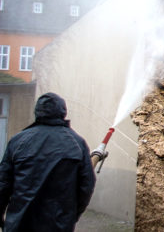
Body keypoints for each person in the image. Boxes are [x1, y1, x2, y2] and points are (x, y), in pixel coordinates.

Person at [0, 93, 96, 231]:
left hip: (20, 223)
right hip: (59, 225)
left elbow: (3, 184)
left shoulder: (18, 141)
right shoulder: (77, 143)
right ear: (63, 112)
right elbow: (86, 186)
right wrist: (71, 215)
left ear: (37, 112)